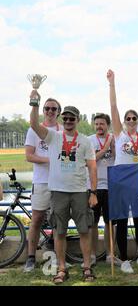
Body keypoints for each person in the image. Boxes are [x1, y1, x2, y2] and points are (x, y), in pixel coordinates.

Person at [29, 92, 97, 284]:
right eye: (65, 117)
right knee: (59, 231)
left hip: (79, 191)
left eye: (72, 118)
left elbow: (92, 167)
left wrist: (93, 192)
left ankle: (86, 267)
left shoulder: (85, 140)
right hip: (58, 191)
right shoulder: (53, 136)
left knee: (84, 230)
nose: (68, 120)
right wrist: (35, 103)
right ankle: (61, 268)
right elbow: (34, 124)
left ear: (77, 119)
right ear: (62, 119)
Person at [107, 69, 138, 272]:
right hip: (121, 181)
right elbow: (114, 107)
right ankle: (124, 259)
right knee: (122, 220)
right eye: (129, 118)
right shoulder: (119, 134)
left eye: (135, 118)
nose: (132, 120)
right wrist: (112, 83)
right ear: (125, 121)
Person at [24, 97, 63, 272]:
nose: (50, 111)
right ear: (43, 110)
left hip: (60, 183)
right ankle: (31, 258)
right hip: (41, 181)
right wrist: (49, 160)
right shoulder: (34, 130)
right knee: (37, 220)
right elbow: (29, 156)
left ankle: (57, 259)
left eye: (54, 109)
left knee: (58, 221)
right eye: (47, 108)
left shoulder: (62, 131)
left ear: (58, 112)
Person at [87, 113, 118, 266]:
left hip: (111, 185)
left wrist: (112, 147)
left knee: (110, 223)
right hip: (94, 186)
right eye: (97, 124)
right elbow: (91, 160)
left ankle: (110, 254)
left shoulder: (114, 138)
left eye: (102, 124)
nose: (99, 127)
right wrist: (105, 147)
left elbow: (118, 157)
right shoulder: (89, 140)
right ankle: (92, 255)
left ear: (108, 125)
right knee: (92, 223)